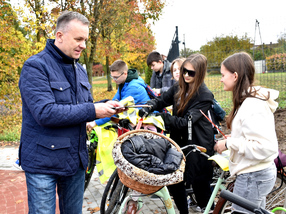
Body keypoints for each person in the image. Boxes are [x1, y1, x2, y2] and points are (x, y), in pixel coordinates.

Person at [18, 11, 124, 214]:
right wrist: (94, 110)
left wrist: (106, 105)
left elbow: (80, 105)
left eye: (85, 39)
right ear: (59, 36)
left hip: (74, 161)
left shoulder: (80, 69)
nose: (83, 45)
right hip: (43, 164)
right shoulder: (35, 67)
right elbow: (45, 113)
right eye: (78, 39)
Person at [139, 53, 215, 213]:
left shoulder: (205, 96)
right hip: (179, 140)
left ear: (199, 73)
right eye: (184, 71)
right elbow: (161, 100)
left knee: (201, 189)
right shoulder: (178, 86)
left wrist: (162, 118)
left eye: (191, 73)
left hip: (197, 144)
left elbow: (185, 122)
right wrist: (149, 106)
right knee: (174, 181)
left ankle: (209, 209)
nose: (186, 75)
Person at [214, 52, 278, 213]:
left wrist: (229, 143)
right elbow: (252, 136)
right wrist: (235, 138)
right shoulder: (247, 101)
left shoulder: (252, 105)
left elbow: (265, 146)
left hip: (253, 176)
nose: (221, 79)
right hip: (253, 174)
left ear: (235, 76)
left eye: (223, 75)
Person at [86, 59, 151, 130]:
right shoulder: (124, 82)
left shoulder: (134, 87)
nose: (114, 80)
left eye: (116, 77)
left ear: (125, 73)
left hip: (144, 121)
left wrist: (95, 123)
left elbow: (117, 110)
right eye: (112, 77)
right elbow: (114, 103)